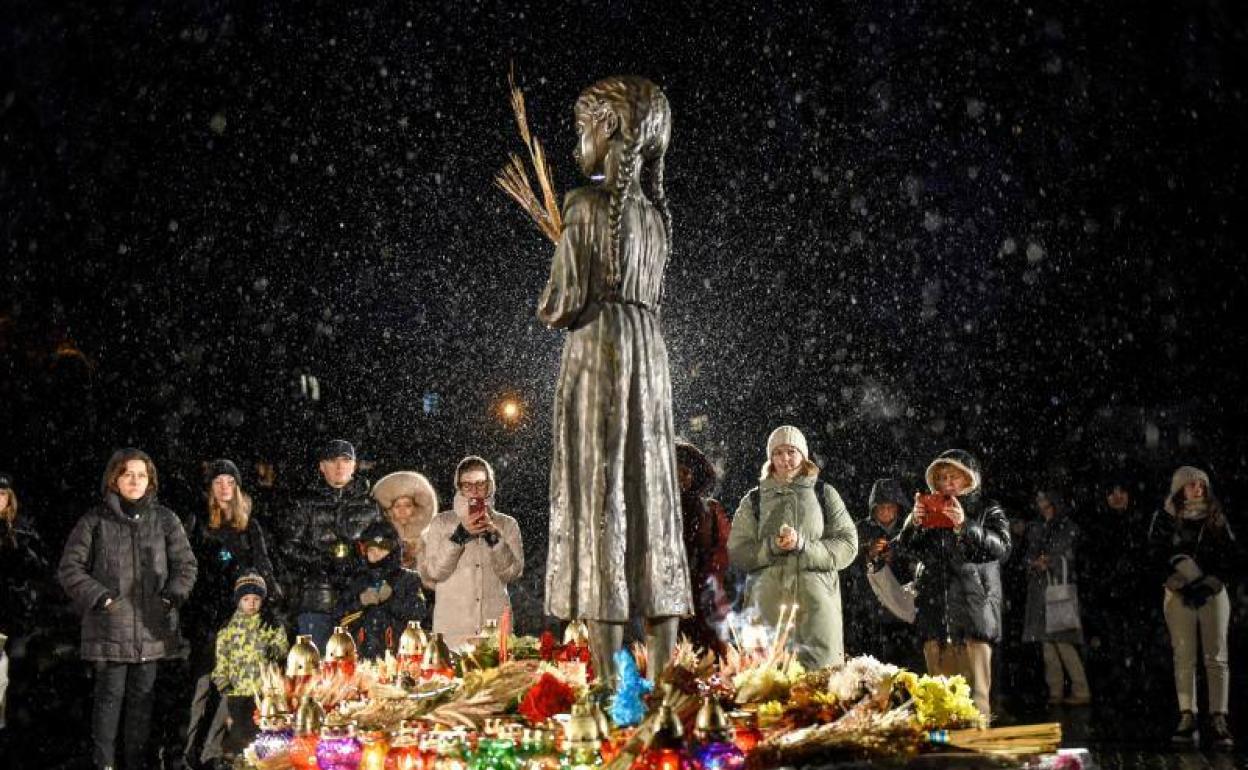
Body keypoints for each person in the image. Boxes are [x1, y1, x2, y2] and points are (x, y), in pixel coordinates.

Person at [539, 75, 693, 680]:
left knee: (599, 495)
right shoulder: (656, 219)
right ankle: (662, 676)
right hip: (648, 354)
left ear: (608, 127)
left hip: (599, 351)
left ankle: (608, 684)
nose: (578, 141)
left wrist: (562, 255)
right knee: (651, 498)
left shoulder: (584, 206)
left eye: (583, 128)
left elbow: (560, 303)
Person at [57, 448, 198, 770]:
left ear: (150, 481)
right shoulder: (94, 520)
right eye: (127, 474)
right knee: (108, 704)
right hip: (110, 628)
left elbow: (186, 566)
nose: (134, 481)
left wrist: (170, 598)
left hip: (152, 629)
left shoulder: (165, 520)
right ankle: (104, 765)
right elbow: (70, 568)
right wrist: (102, 597)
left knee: (142, 707)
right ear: (114, 479)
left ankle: (136, 764)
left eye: (141, 475)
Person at [891, 449, 1011, 718]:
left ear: (969, 479)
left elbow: (1002, 549)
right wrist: (913, 523)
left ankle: (978, 741)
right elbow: (905, 549)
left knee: (976, 704)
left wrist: (965, 525)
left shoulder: (987, 508)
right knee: (941, 704)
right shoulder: (929, 511)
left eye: (953, 477)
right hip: (935, 618)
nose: (947, 483)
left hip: (973, 616)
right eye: (942, 478)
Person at [727, 426, 858, 669]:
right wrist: (771, 547)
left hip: (816, 613)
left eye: (791, 451)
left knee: (819, 685)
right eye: (778, 453)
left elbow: (848, 544)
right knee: (766, 685)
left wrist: (803, 546)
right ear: (770, 458)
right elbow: (738, 551)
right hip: (766, 612)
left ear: (803, 455)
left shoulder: (824, 494)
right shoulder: (753, 500)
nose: (785, 459)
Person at [183, 459, 281, 770]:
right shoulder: (199, 522)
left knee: (228, 690)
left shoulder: (249, 525)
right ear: (210, 488)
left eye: (230, 481)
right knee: (200, 687)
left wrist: (271, 602)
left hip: (239, 619)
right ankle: (185, 752)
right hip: (207, 616)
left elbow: (263, 566)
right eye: (218, 482)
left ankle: (211, 752)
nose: (225, 487)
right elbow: (190, 567)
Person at [1149, 466, 1238, 748]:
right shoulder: (1165, 518)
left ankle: (1218, 717)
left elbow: (1230, 554)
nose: (1198, 489)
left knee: (1216, 656)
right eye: (1191, 484)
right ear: (1179, 489)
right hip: (1178, 593)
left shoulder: (1215, 516)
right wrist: (1176, 580)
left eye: (1201, 484)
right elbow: (1155, 553)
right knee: (1184, 655)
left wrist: (1211, 581)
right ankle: (1187, 714)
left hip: (1212, 591)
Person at [280, 439, 379, 650]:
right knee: (314, 665)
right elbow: (288, 547)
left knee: (357, 666)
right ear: (322, 466)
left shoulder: (370, 505)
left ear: (354, 466)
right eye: (333, 460)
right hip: (317, 600)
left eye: (346, 460)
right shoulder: (304, 503)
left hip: (359, 601)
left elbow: (383, 548)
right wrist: (323, 560)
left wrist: (359, 562)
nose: (339, 466)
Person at [422, 456, 524, 648]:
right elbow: (435, 572)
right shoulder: (442, 523)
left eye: (480, 484)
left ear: (490, 486)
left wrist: (493, 537)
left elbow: (512, 573)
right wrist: (459, 536)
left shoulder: (507, 524)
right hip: (453, 629)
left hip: (495, 628)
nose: (475, 491)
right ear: (459, 487)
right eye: (467, 485)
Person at [1021, 489, 1091, 706]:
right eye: (1040, 504)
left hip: (1058, 588)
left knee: (1063, 641)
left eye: (1047, 504)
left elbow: (1069, 555)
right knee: (1048, 644)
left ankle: (1080, 689)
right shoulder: (1037, 527)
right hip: (1042, 590)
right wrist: (1035, 562)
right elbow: (1029, 555)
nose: (1044, 509)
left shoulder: (1067, 527)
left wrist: (1049, 561)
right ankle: (1056, 690)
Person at [212, 574, 288, 763]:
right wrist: (221, 680)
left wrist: (273, 650)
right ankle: (241, 761)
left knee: (261, 730)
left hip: (264, 691)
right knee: (239, 732)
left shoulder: (269, 624)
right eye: (246, 599)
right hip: (237, 691)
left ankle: (262, 762)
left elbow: (282, 648)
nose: (251, 604)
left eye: (256, 599)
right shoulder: (228, 628)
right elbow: (222, 657)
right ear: (239, 601)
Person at [336, 520, 429, 658]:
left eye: (382, 549)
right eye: (371, 550)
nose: (376, 554)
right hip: (361, 656)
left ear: (393, 550)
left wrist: (391, 600)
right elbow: (338, 616)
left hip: (400, 654)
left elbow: (419, 614)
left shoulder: (408, 579)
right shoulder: (357, 580)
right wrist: (360, 602)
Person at [854, 478, 919, 669]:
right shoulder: (860, 530)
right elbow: (848, 565)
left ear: (898, 508)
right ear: (873, 509)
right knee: (872, 666)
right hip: (870, 611)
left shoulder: (908, 530)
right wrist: (868, 554)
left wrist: (897, 555)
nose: (885, 512)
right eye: (880, 507)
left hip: (902, 608)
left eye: (890, 507)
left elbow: (918, 559)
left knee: (904, 667)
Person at [675, 442, 732, 657]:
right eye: (675, 472)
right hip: (666, 599)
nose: (681, 478)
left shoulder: (710, 511)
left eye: (685, 472)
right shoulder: (655, 512)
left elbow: (723, 553)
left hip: (705, 600)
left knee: (708, 660)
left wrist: (704, 581)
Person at [371, 471, 438, 585]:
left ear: (416, 508)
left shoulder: (428, 544)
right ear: (389, 510)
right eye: (397, 506)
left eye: (408, 505)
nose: (402, 510)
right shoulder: (378, 542)